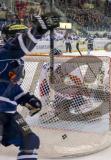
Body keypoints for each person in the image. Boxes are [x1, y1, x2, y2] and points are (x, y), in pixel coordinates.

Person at [0, 12, 60, 160]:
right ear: (9, 38)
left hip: (8, 113)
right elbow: (17, 46)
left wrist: (25, 98)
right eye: (18, 35)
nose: (21, 36)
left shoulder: (15, 60)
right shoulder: (3, 54)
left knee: (30, 140)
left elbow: (10, 87)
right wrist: (38, 30)